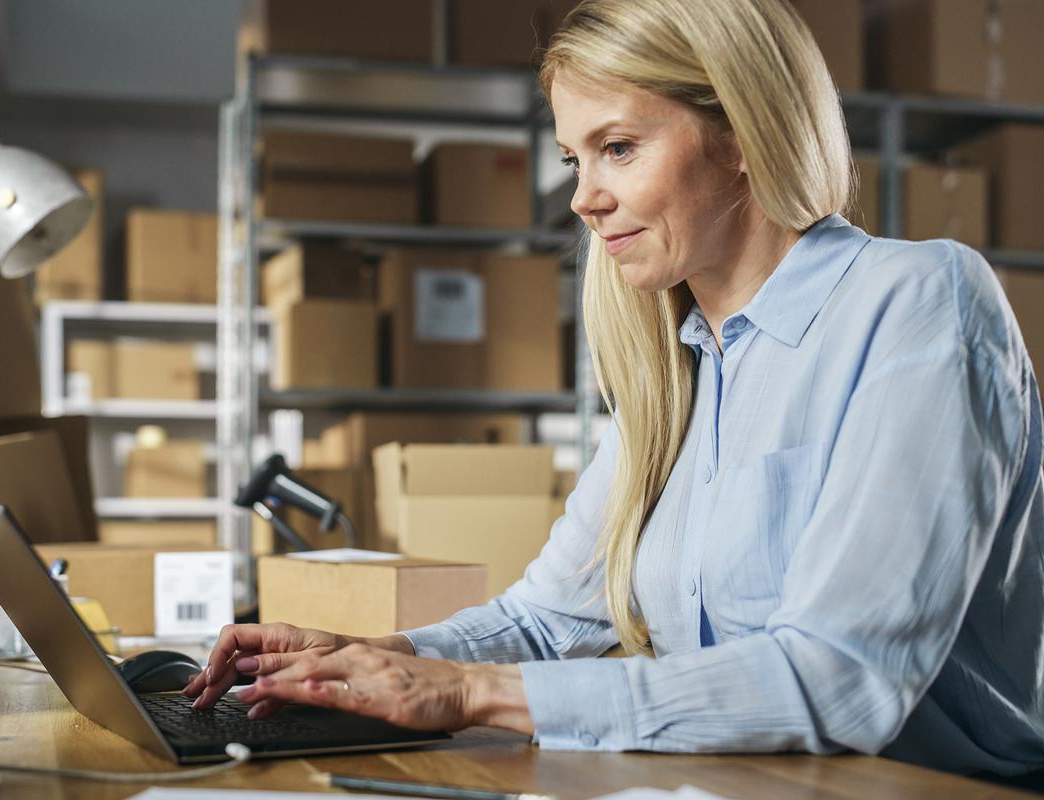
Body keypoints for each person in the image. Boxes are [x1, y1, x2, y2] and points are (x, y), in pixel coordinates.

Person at [183, 0, 1044, 777]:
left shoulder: (920, 304)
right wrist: (364, 661)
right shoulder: (676, 366)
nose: (584, 199)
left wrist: (468, 693)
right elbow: (548, 619)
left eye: (618, 148)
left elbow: (844, 678)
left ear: (741, 133)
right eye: (573, 157)